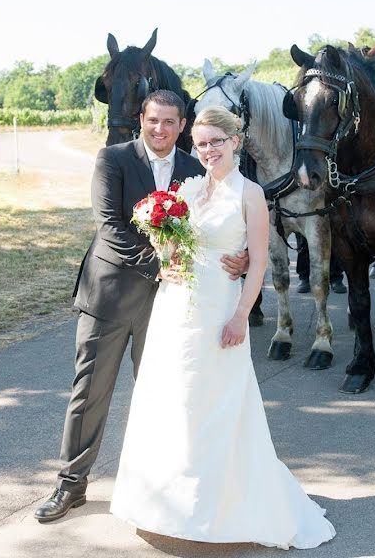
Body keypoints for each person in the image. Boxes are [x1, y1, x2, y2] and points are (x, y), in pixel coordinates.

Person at [110, 106, 336, 549]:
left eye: (216, 140)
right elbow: (176, 245)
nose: (208, 149)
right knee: (173, 397)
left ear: (235, 141)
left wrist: (240, 315)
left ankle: (222, 507)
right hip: (176, 305)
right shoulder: (190, 188)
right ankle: (165, 500)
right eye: (201, 143)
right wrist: (164, 250)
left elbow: (259, 265)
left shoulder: (249, 194)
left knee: (216, 401)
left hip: (219, 308)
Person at [34, 90, 248, 523]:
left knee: (165, 396)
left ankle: (159, 489)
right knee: (90, 392)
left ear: (182, 125)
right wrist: (158, 264)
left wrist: (239, 256)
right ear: (141, 119)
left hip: (169, 305)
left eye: (170, 122)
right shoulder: (111, 159)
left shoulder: (195, 168)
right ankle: (70, 485)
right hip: (109, 297)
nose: (160, 129)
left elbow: (219, 221)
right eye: (153, 120)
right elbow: (109, 225)